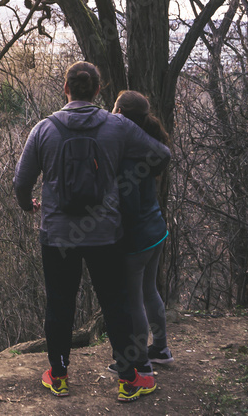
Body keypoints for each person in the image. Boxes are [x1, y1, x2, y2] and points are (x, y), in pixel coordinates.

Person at [13, 62, 171, 402]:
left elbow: (21, 182)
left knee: (59, 306)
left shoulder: (44, 129)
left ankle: (58, 377)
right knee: (116, 305)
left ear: (66, 89)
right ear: (98, 91)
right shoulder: (117, 127)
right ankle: (129, 380)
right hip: (105, 234)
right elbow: (161, 154)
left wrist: (29, 206)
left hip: (57, 236)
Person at [111, 90, 174, 370]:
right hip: (156, 230)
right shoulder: (147, 146)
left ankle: (138, 362)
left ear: (121, 115)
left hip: (137, 239)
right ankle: (160, 349)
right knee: (150, 291)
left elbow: (130, 207)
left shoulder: (127, 156)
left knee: (135, 298)